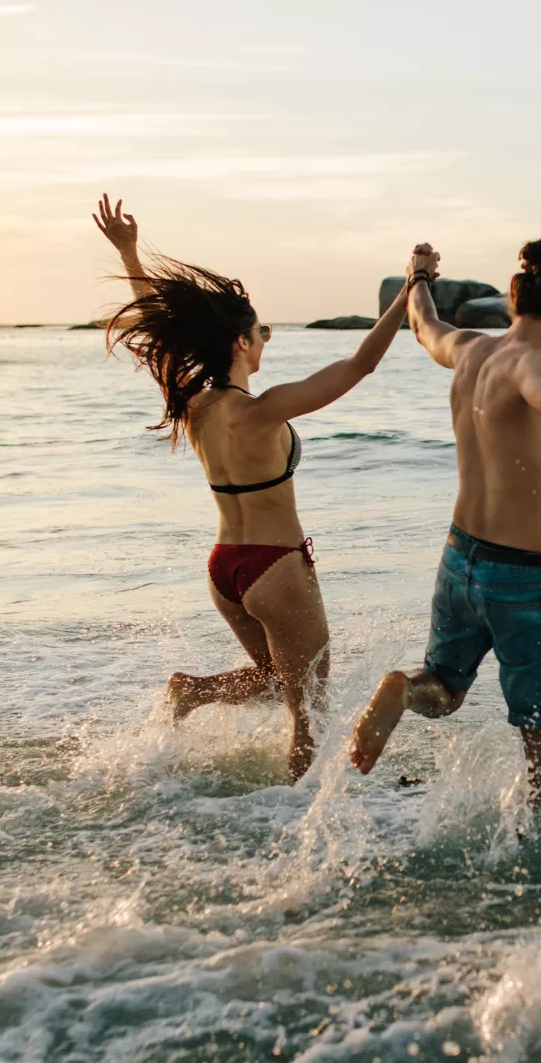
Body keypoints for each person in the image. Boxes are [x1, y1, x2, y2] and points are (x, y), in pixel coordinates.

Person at [94, 194, 419, 780]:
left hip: (226, 568)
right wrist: (408, 289)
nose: (266, 337)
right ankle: (293, 826)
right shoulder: (263, 410)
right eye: (261, 331)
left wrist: (129, 253)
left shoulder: (192, 405)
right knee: (308, 714)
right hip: (276, 567)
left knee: (275, 682)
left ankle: (192, 692)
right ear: (242, 343)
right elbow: (360, 364)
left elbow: (157, 335)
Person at [347, 238, 541, 805]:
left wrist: (418, 277)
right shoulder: (537, 363)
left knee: (443, 689)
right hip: (523, 578)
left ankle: (404, 691)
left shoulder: (469, 349)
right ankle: (540, 830)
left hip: (459, 560)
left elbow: (423, 324)